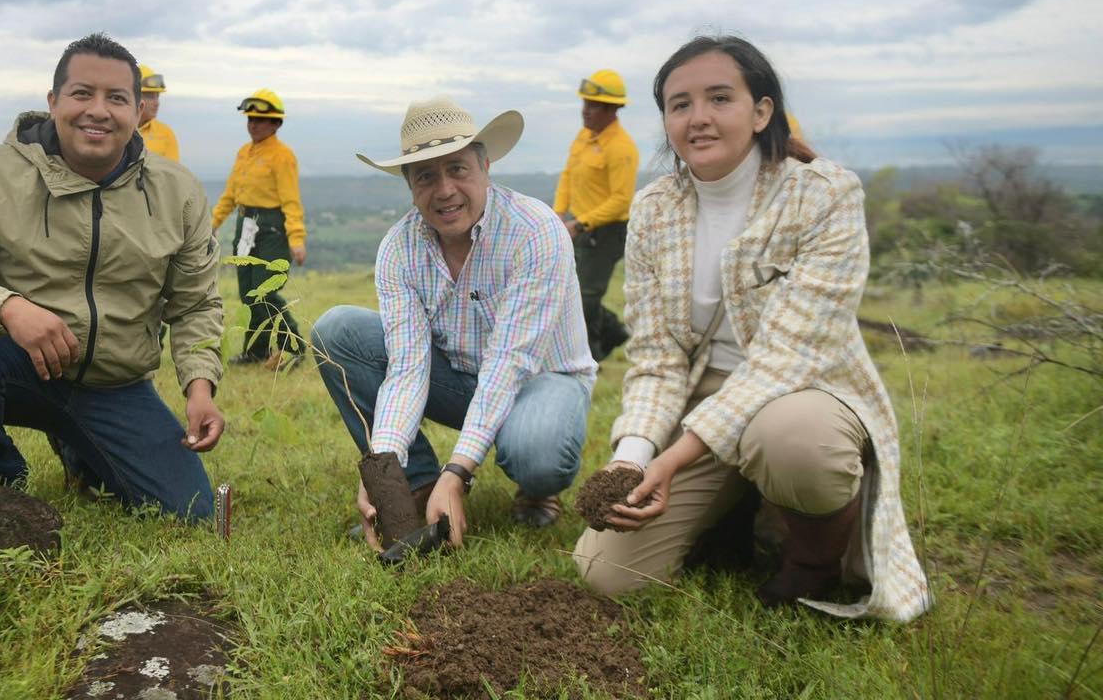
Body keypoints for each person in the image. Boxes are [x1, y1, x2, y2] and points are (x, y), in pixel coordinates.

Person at [572, 35, 930, 622]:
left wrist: (675, 458)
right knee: (606, 572)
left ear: (763, 111)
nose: (699, 118)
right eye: (680, 104)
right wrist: (635, 458)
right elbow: (658, 357)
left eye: (720, 98)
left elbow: (784, 359)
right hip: (698, 398)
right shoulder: (656, 210)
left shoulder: (824, 196)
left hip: (801, 392)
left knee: (793, 443)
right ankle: (733, 511)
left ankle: (814, 557)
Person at [0, 33, 225, 522]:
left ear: (139, 112)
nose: (98, 110)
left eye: (117, 98)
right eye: (81, 94)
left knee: (191, 513)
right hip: (18, 366)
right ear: (53, 103)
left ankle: (82, 449)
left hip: (115, 383)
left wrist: (200, 387)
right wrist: (9, 308)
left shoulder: (176, 191)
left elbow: (195, 303)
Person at [313, 97, 596, 546]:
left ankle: (536, 490)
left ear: (485, 166)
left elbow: (511, 361)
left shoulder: (536, 231)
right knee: (338, 331)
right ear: (409, 184)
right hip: (461, 380)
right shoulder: (400, 248)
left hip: (541, 382)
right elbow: (407, 368)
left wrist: (458, 472)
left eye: (458, 169)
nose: (444, 190)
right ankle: (417, 483)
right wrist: (382, 467)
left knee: (536, 451)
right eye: (426, 175)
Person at [212, 89, 307, 368]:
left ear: (276, 124)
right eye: (251, 118)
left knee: (262, 293)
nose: (254, 124)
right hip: (246, 225)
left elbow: (291, 200)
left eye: (261, 120)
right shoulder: (244, 152)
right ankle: (258, 352)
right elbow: (231, 194)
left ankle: (295, 348)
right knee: (247, 294)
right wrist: (212, 224)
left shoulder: (282, 156)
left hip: (272, 229)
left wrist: (297, 238)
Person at [553, 69, 640, 362]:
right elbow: (568, 175)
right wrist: (558, 215)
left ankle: (588, 359)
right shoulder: (584, 137)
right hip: (578, 226)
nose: (585, 111)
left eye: (592, 105)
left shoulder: (622, 148)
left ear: (612, 109)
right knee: (569, 291)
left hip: (606, 232)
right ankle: (615, 332)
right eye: (585, 103)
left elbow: (621, 200)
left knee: (585, 297)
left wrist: (580, 223)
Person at [136, 64, 180, 161]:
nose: (157, 103)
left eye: (157, 96)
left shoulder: (165, 134)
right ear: (133, 96)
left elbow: (171, 173)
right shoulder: (115, 130)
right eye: (150, 96)